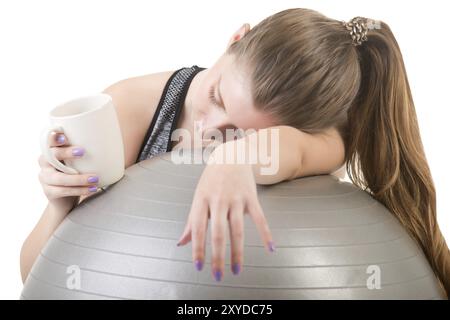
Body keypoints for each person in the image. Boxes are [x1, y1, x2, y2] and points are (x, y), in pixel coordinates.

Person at [21, 8, 449, 297]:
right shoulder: (129, 110)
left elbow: (293, 151)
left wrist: (236, 158)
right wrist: (59, 206)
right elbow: (36, 280)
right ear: (235, 39)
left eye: (242, 133)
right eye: (217, 97)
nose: (209, 129)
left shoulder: (321, 142)